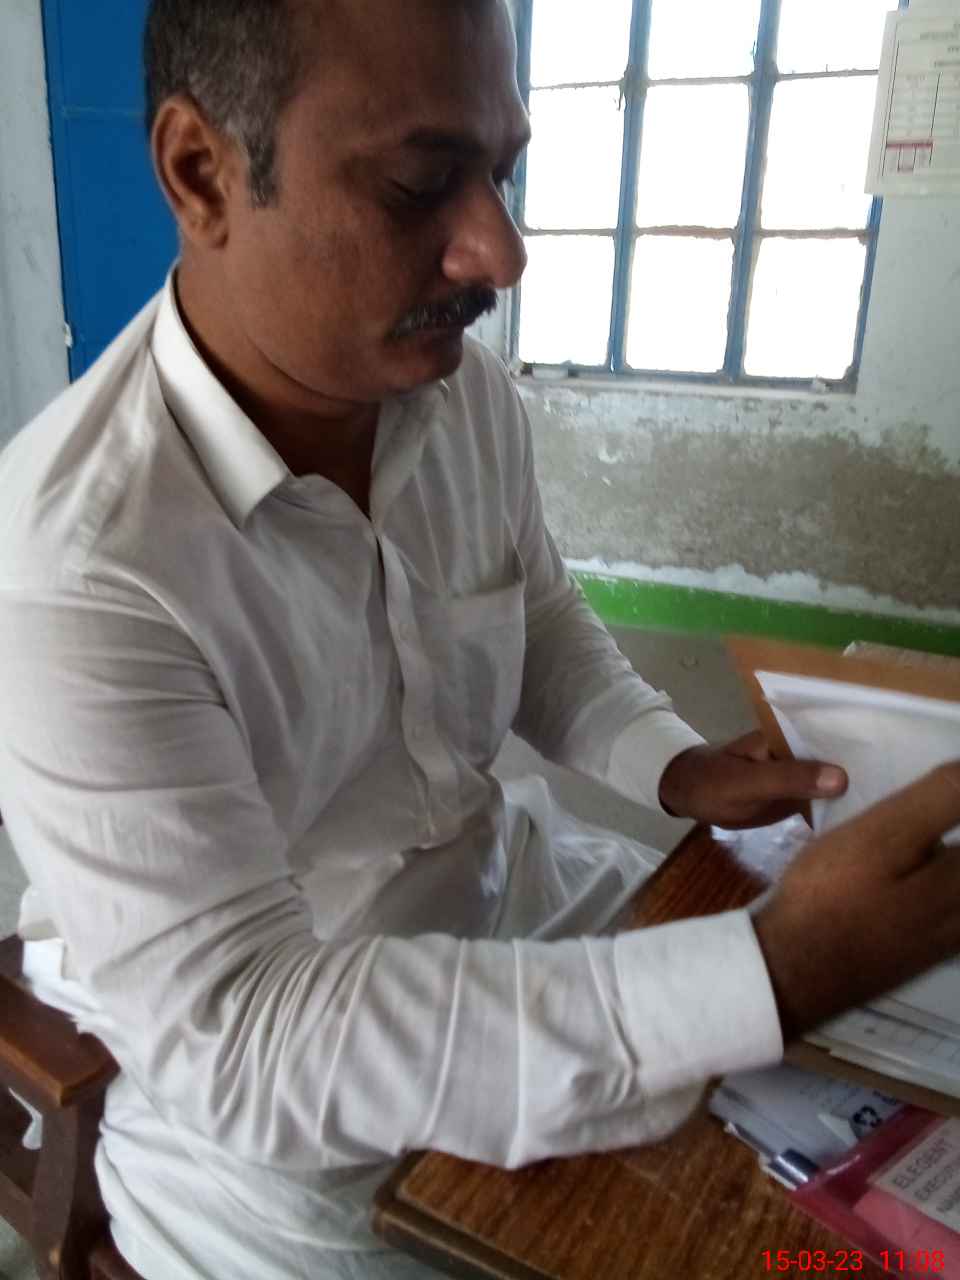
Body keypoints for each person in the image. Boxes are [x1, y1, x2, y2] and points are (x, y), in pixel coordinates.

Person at [0, 2, 958, 1278]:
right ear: (201, 171)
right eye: (418, 183)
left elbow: (535, 617)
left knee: (871, 1139)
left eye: (501, 172)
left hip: (528, 901)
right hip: (298, 1120)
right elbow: (248, 1037)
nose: (499, 253)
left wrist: (672, 764)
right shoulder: (76, 568)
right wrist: (767, 973)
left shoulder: (459, 400)